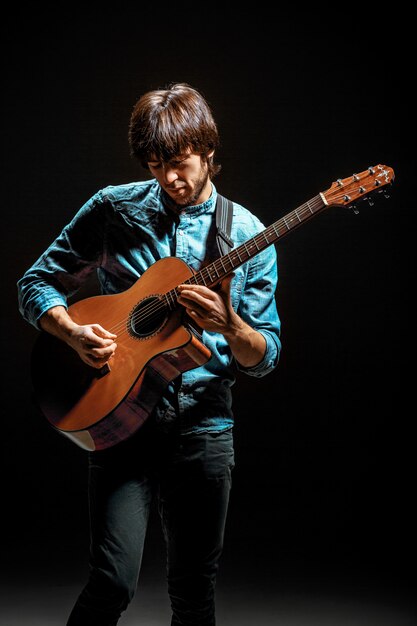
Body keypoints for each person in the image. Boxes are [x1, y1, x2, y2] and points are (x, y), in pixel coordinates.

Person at [17, 82, 281, 626]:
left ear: (208, 150)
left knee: (193, 594)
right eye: (156, 165)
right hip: (121, 426)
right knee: (110, 584)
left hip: (204, 430)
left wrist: (230, 326)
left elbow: (266, 354)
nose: (168, 179)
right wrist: (71, 333)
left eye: (179, 162)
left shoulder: (250, 234)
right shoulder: (114, 209)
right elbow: (36, 282)